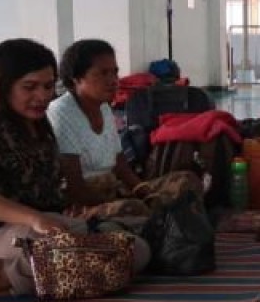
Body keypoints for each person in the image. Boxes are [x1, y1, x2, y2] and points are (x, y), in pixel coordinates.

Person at [0, 38, 150, 302]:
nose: (42, 96)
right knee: (90, 258)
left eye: (47, 86)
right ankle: (3, 275)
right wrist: (34, 219)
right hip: (1, 233)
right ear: (3, 86)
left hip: (44, 226)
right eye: (29, 87)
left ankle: (24, 270)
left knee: (138, 249)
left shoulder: (37, 126)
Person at [47, 39, 200, 213]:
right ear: (76, 78)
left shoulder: (103, 107)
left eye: (115, 72)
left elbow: (121, 166)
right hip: (81, 203)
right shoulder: (61, 112)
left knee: (186, 181)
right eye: (103, 73)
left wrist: (145, 193)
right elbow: (75, 188)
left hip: (113, 188)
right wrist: (131, 202)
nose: (113, 80)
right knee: (134, 209)